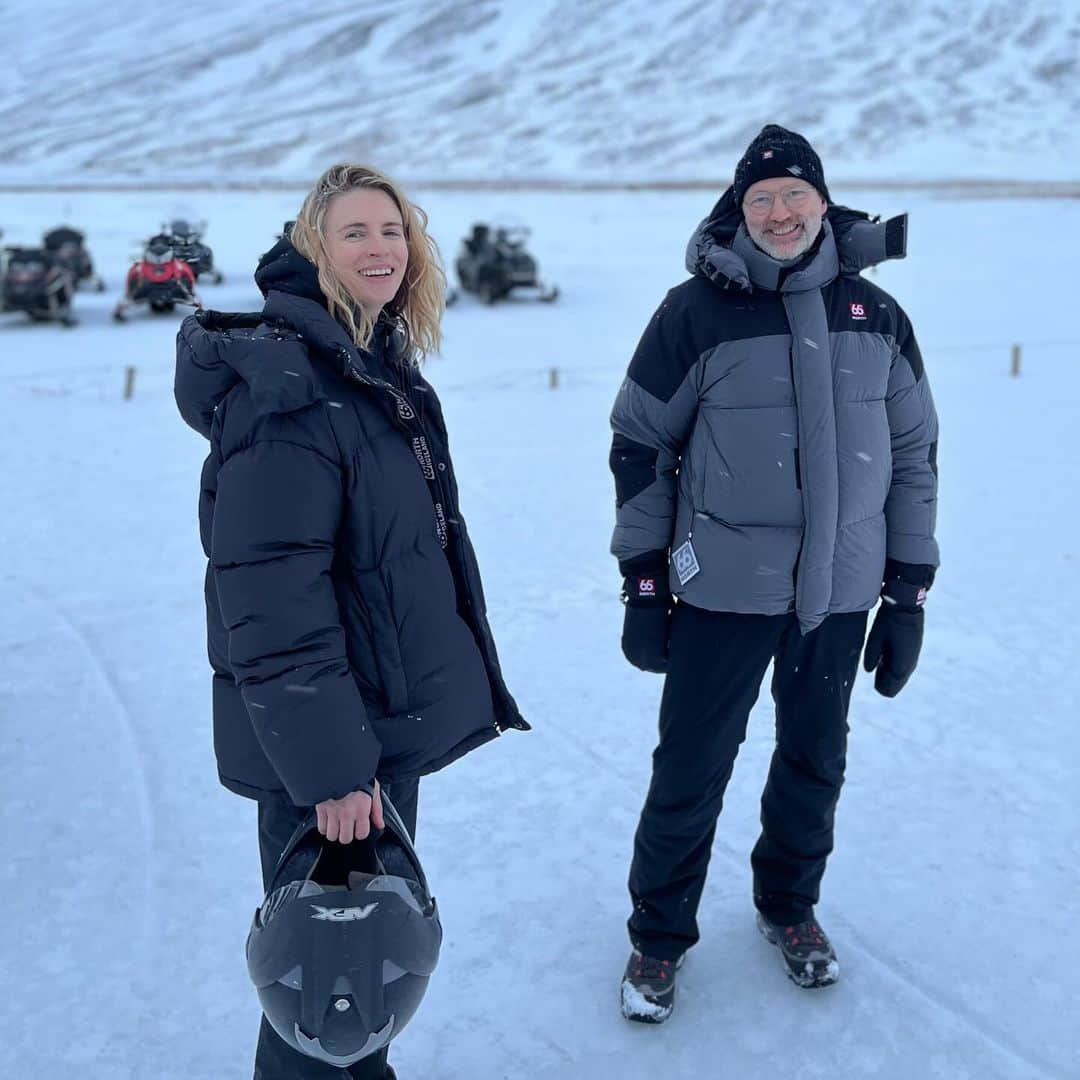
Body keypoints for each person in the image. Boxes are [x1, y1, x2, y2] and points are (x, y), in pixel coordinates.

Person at [174, 163, 527, 1078]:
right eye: (354, 232)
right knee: (332, 985)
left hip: (364, 735)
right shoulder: (291, 387)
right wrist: (333, 772)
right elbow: (269, 600)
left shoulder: (364, 365)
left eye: (392, 230)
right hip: (330, 757)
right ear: (312, 249)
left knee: (342, 984)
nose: (380, 249)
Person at [609, 125, 938, 1022]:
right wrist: (644, 583)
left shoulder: (878, 316)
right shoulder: (693, 314)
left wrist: (907, 592)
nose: (781, 212)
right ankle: (658, 936)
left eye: (796, 195)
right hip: (723, 593)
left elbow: (914, 457)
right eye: (762, 200)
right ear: (738, 212)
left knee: (814, 761)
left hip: (839, 596)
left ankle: (790, 909)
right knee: (690, 769)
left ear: (824, 204)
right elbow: (641, 448)